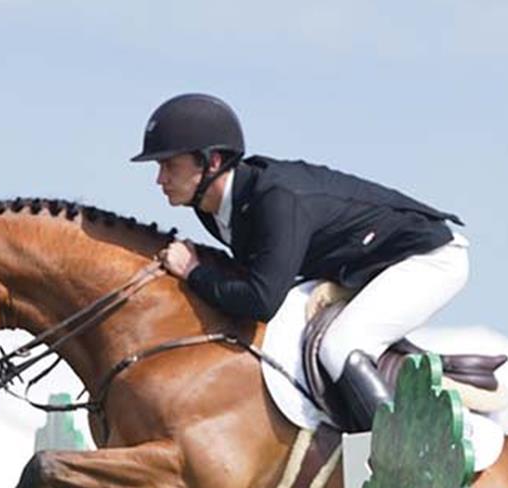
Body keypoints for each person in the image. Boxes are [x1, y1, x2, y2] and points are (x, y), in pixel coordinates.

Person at [135, 92, 470, 430]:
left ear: (213, 162)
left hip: (429, 260)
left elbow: (261, 300)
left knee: (340, 345)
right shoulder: (213, 206)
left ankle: (402, 461)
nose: (159, 179)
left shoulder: (276, 199)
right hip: (363, 267)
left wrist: (192, 271)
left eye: (169, 165)